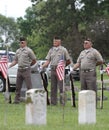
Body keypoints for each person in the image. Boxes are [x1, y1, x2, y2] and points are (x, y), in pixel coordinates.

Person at [41, 36, 71, 105]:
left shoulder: (63, 50)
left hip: (60, 70)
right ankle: (53, 102)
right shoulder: (51, 50)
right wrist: (42, 66)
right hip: (52, 69)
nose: (54, 43)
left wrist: (63, 66)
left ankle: (62, 102)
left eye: (56, 41)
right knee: (53, 87)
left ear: (59, 42)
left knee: (61, 87)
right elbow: (48, 61)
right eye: (54, 41)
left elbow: (68, 61)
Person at [9, 37, 36, 104]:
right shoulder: (18, 51)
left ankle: (30, 100)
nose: (21, 44)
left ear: (25, 43)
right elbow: (15, 60)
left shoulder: (29, 51)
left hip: (26, 70)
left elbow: (34, 60)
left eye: (23, 42)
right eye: (20, 42)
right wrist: (9, 66)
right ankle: (16, 100)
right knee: (18, 86)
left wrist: (29, 65)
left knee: (29, 86)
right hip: (19, 70)